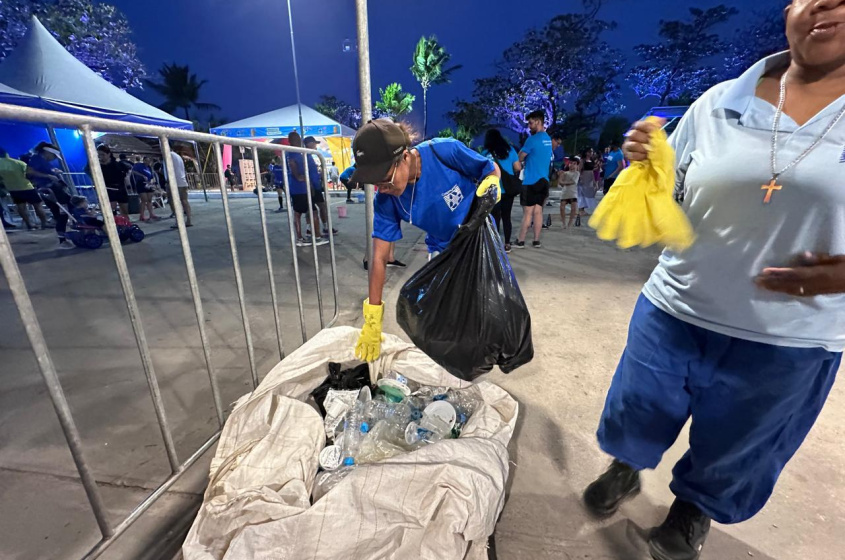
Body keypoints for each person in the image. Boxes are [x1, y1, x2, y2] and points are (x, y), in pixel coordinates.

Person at [584, 3, 845, 559]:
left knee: (738, 443)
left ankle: (692, 509)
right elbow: (667, 188)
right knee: (639, 406)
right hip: (676, 307)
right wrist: (644, 160)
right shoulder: (720, 100)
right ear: (787, 12)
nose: (824, 4)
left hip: (790, 337)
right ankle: (627, 466)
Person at [351, 118, 501, 362]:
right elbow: (378, 257)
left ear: (405, 157)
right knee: (445, 317)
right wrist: (372, 317)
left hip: (479, 242)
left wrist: (493, 181)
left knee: (484, 311)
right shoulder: (387, 200)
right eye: (374, 183)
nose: (382, 188)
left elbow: (490, 168)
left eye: (385, 178)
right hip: (443, 252)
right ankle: (457, 367)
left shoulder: (444, 152)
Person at [513, 109, 553, 249]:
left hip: (531, 180)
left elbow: (520, 156)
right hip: (544, 180)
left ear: (538, 121)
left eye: (530, 123)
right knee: (538, 211)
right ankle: (536, 240)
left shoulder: (532, 139)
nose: (529, 126)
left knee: (527, 213)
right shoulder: (547, 138)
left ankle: (521, 240)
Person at [26, 143, 73, 249]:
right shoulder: (36, 158)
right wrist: (48, 176)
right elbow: (30, 172)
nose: (54, 159)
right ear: (47, 152)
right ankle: (63, 239)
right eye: (54, 156)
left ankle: (64, 235)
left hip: (52, 190)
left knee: (65, 210)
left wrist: (54, 172)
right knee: (63, 212)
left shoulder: (42, 161)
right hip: (51, 190)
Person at [482, 128, 522, 252]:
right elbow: (517, 167)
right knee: (506, 217)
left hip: (493, 189)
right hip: (508, 190)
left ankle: (495, 243)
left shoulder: (485, 153)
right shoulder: (510, 150)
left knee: (494, 217)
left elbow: (481, 170)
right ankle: (507, 244)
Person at [286, 131, 328, 247]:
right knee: (312, 211)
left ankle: (302, 237)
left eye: (298, 138)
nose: (298, 140)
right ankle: (316, 236)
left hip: (302, 188)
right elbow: (292, 164)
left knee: (300, 212)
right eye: (296, 138)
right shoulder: (294, 152)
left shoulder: (299, 152)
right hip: (300, 188)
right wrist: (299, 177)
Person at [0, 146, 49, 230]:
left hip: (12, 189)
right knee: (38, 206)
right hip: (26, 187)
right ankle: (44, 223)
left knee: (21, 207)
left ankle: (29, 224)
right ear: (6, 154)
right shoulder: (19, 163)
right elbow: (30, 173)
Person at [303, 136, 338, 237]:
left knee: (316, 208)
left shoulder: (309, 156)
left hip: (315, 185)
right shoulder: (306, 156)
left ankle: (318, 228)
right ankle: (317, 229)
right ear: (309, 144)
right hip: (312, 187)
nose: (316, 145)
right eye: (314, 143)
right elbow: (306, 173)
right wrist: (311, 186)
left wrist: (319, 174)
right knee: (317, 208)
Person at [87, 145, 130, 217]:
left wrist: (127, 183)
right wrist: (94, 180)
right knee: (111, 212)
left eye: (103, 154)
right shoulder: (97, 165)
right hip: (108, 189)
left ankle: (126, 225)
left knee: (125, 211)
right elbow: (87, 170)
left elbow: (127, 173)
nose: (101, 157)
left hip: (120, 189)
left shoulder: (118, 164)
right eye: (99, 155)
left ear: (108, 154)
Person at [166, 146, 194, 228]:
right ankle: (188, 220)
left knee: (173, 202)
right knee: (184, 201)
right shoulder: (178, 157)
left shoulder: (169, 155)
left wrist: (168, 181)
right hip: (182, 181)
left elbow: (169, 169)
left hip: (174, 182)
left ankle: (179, 222)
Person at [132, 156, 159, 222]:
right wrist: (142, 176)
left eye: (149, 161)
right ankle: (142, 215)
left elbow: (152, 176)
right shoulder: (138, 165)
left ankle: (151, 214)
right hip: (141, 183)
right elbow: (133, 171)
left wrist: (154, 183)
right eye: (146, 160)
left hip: (149, 184)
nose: (148, 162)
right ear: (144, 160)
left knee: (149, 199)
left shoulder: (149, 168)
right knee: (144, 200)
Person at [576, 147, 600, 220]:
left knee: (589, 193)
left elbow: (592, 170)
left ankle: (583, 208)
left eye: (592, 152)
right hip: (584, 178)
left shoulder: (591, 160)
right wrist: (580, 178)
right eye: (590, 152)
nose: (591, 153)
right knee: (582, 193)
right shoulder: (582, 160)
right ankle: (581, 209)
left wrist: (594, 181)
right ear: (586, 152)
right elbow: (579, 170)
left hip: (590, 177)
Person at [557, 159, 580, 229]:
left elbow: (573, 182)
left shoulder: (577, 173)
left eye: (574, 164)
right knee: (562, 207)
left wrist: (564, 182)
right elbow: (560, 183)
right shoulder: (565, 173)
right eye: (571, 163)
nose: (572, 165)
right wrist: (560, 175)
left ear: (577, 165)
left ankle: (570, 223)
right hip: (565, 192)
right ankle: (563, 223)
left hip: (573, 193)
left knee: (573, 208)